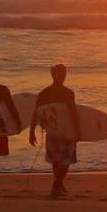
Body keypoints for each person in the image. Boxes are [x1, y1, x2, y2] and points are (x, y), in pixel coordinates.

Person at [30, 64, 81, 198]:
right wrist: (77, 130)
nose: (63, 76)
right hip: (66, 131)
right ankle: (57, 184)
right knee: (65, 159)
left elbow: (36, 113)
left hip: (52, 131)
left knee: (57, 160)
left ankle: (58, 183)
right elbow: (72, 113)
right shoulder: (67, 93)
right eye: (61, 74)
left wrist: (31, 132)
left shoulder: (45, 92)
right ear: (55, 75)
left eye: (64, 73)